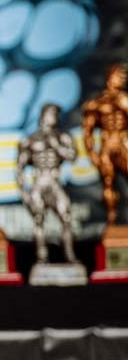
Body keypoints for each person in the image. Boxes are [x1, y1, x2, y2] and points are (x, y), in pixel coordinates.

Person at [17, 104, 78, 263]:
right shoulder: (30, 139)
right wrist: (23, 192)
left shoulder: (62, 137)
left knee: (66, 217)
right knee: (38, 219)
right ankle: (42, 257)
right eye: (51, 113)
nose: (54, 117)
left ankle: (69, 255)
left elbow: (72, 156)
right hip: (38, 182)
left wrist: (56, 145)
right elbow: (20, 168)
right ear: (43, 115)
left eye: (56, 114)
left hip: (54, 181)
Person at [82, 63, 128, 225]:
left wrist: (124, 105)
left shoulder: (125, 100)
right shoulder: (97, 103)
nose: (122, 79)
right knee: (108, 182)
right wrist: (92, 154)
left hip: (123, 142)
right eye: (119, 76)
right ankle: (111, 217)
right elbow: (87, 131)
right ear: (110, 77)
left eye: (124, 77)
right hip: (107, 144)